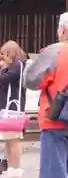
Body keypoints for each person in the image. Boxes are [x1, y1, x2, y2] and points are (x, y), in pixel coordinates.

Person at [24, 12, 68, 178]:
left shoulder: (53, 52)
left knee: (54, 172)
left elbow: (32, 81)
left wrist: (29, 67)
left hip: (55, 118)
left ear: (62, 30)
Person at [0, 41, 27, 177]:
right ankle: (10, 167)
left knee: (13, 140)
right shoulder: (15, 65)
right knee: (9, 140)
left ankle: (15, 169)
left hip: (12, 109)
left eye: (4, 54)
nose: (2, 57)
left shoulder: (18, 65)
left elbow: (4, 80)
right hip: (9, 109)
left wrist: (2, 68)